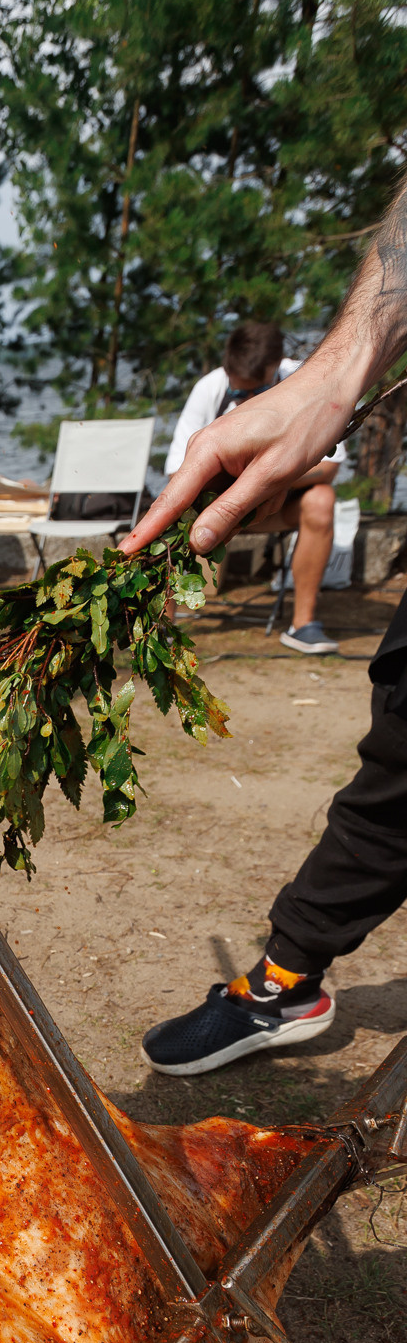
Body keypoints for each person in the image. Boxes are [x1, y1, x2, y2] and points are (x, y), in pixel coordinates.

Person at [126, 178, 407, 1077]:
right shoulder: (217, 388)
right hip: (235, 498)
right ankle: (285, 982)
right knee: (402, 736)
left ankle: (308, 617)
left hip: (284, 500)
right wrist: (347, 362)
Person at [165, 320, 344, 655]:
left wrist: (263, 478)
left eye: (257, 393)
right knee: (170, 512)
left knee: (321, 500)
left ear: (276, 368)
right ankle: (164, 629)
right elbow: (177, 469)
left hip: (276, 506)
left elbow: (329, 465)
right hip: (216, 510)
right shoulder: (210, 387)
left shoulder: (304, 381)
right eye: (238, 394)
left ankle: (302, 625)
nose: (246, 401)